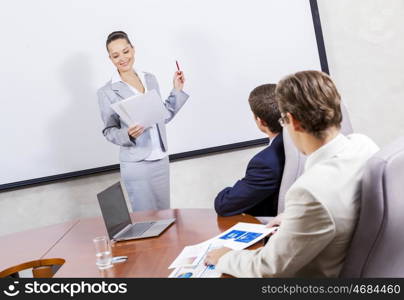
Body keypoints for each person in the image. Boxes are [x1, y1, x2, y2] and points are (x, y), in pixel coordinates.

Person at [205, 70, 379, 277]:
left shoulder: (308, 191)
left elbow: (268, 268)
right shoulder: (364, 145)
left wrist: (225, 257)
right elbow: (340, 205)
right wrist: (294, 217)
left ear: (292, 121)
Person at [97, 31, 189, 211]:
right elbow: (109, 130)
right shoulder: (106, 91)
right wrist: (127, 134)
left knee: (165, 217)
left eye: (125, 51)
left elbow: (162, 116)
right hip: (136, 164)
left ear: (133, 49)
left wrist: (177, 90)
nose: (122, 58)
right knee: (146, 219)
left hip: (161, 159)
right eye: (116, 55)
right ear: (110, 58)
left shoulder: (149, 78)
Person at [214, 84, 285, 217]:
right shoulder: (301, 144)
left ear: (260, 121)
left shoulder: (266, 162)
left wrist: (231, 190)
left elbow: (224, 205)